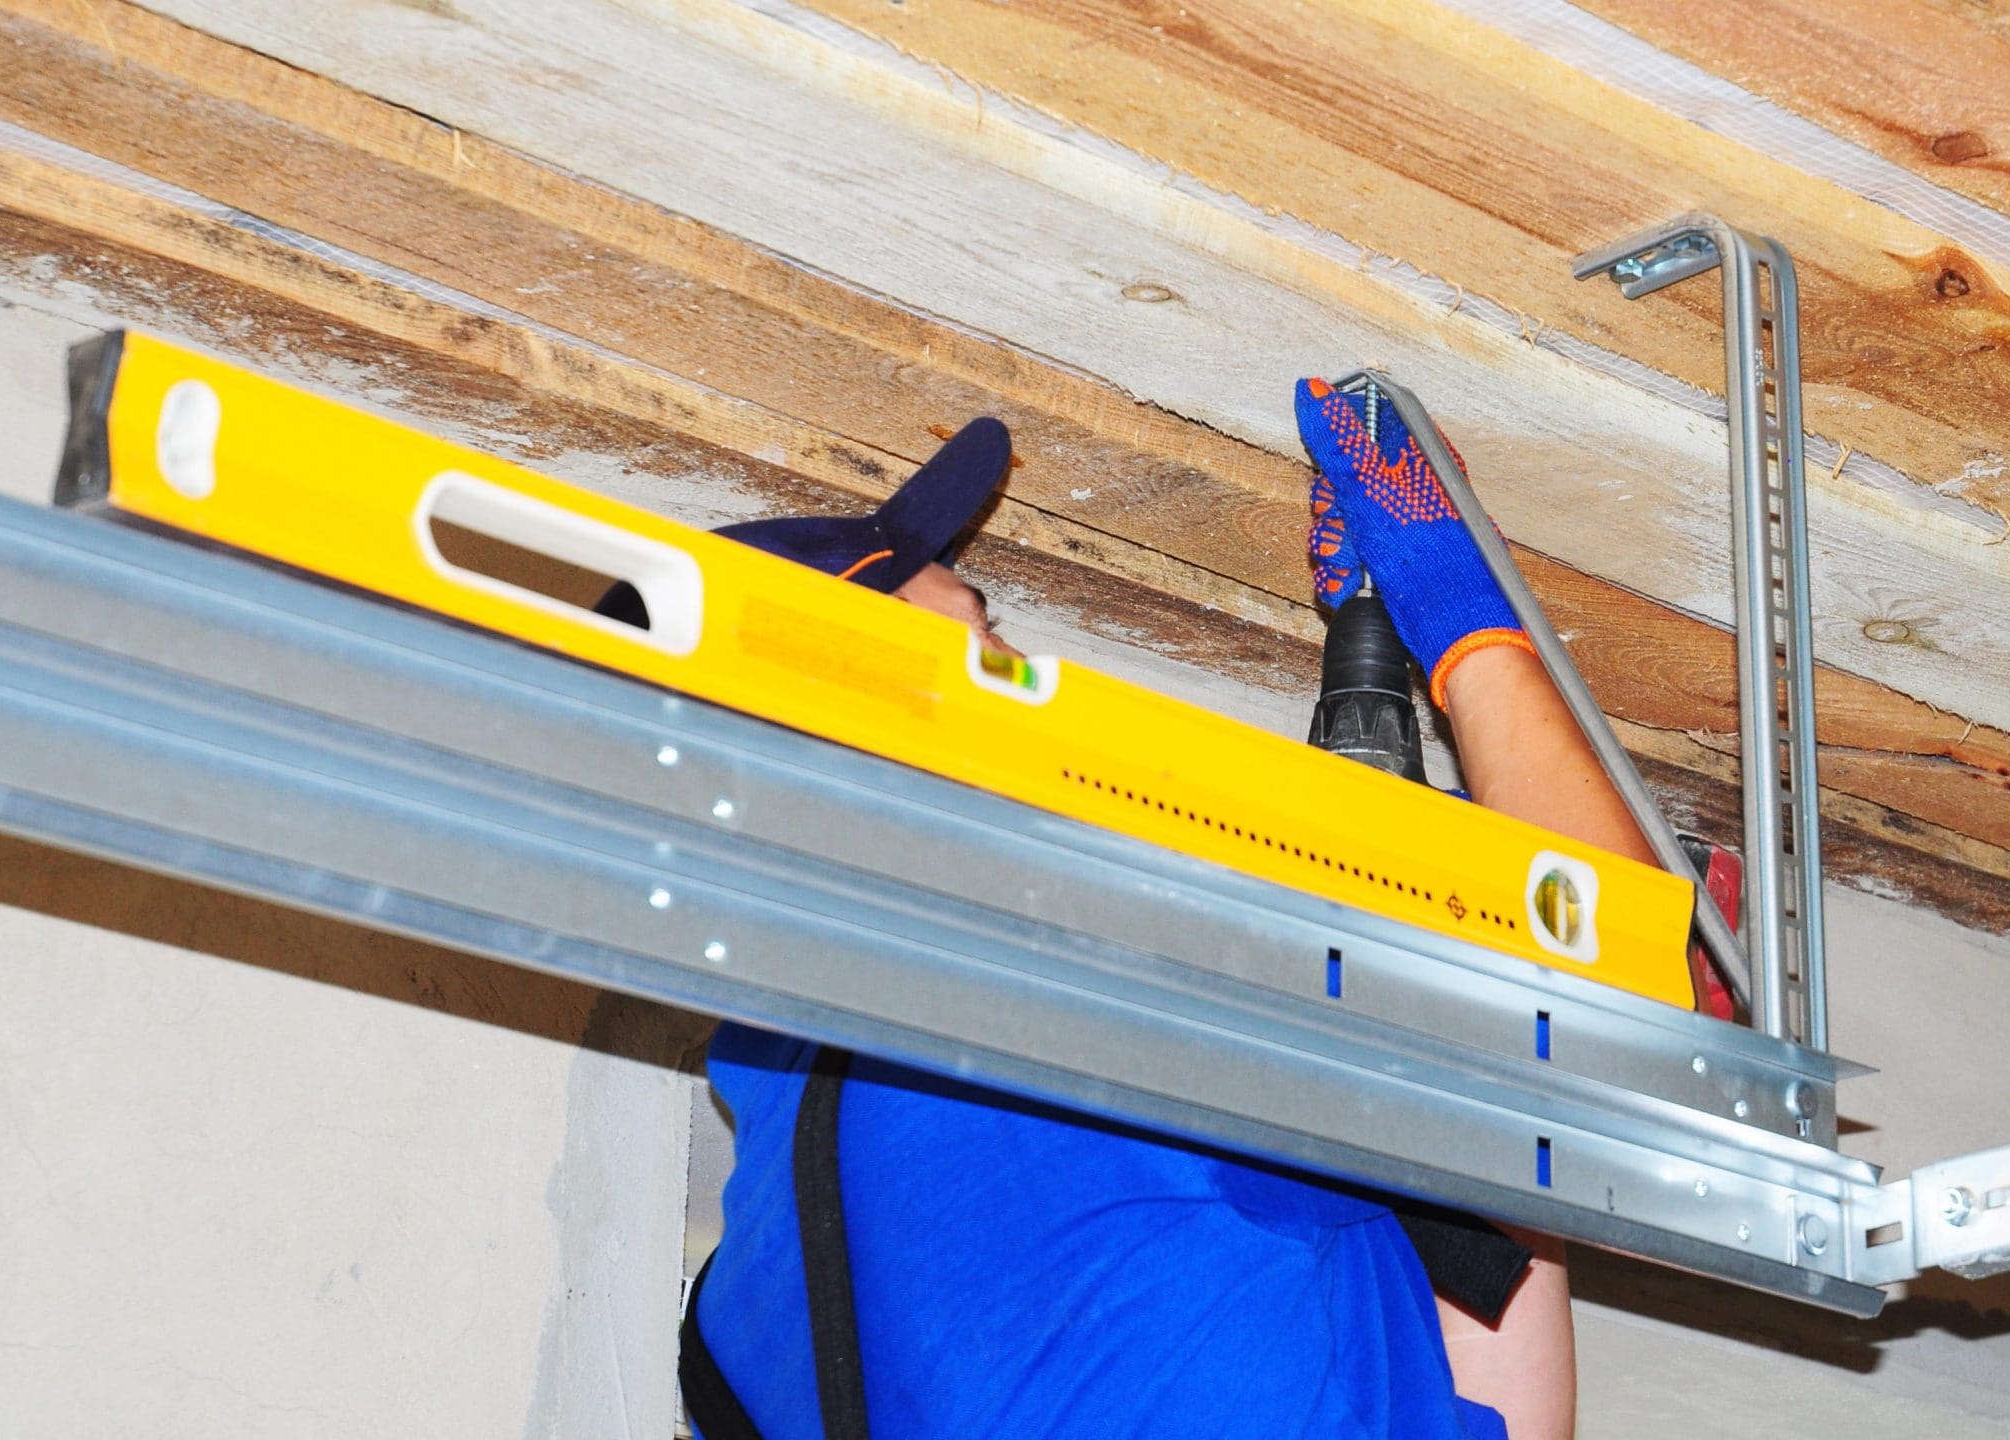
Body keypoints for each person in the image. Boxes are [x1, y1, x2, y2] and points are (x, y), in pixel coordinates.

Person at [676, 381, 1664, 1440]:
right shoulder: (1060, 1027)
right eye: (983, 656)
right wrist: (1465, 623)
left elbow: (1483, 1274)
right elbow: (1624, 1048)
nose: (1031, 675)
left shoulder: (779, 1252)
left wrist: (1463, 881)